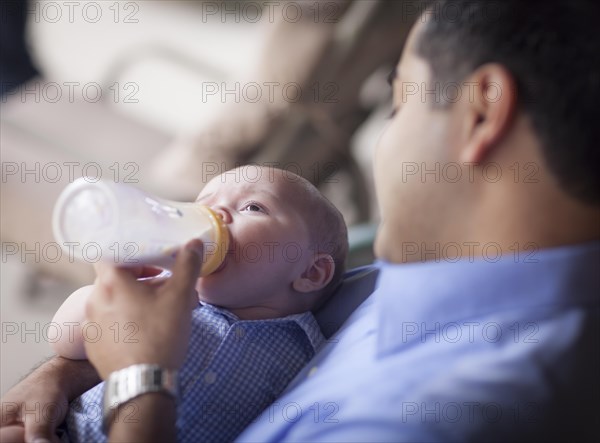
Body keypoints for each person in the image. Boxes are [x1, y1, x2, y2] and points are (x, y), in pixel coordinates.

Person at [2, 0, 599, 441]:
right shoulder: (422, 266)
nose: (390, 140)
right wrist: (62, 376)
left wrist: (139, 378)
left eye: (400, 103)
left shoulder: (452, 413)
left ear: (480, 113)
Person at [3, 165, 349, 443]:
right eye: (205, 204)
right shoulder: (164, 299)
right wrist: (105, 291)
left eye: (252, 207)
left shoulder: (309, 355)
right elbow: (65, 339)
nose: (216, 215)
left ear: (311, 271)